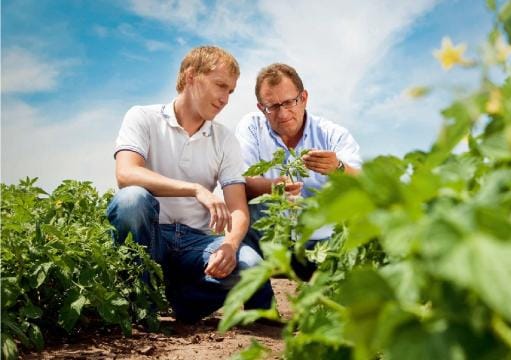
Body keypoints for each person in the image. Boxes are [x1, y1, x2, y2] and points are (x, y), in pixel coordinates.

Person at [106, 46, 274, 324]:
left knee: (251, 266)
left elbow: (238, 208)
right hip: (151, 236)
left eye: (230, 91)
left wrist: (230, 245)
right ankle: (139, 301)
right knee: (131, 201)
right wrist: (195, 189)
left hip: (196, 242)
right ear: (191, 76)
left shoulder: (224, 139)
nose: (225, 99)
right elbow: (126, 174)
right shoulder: (142, 117)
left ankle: (182, 303)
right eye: (220, 86)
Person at [235, 63, 362, 280]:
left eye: (289, 102)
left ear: (304, 98)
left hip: (320, 244)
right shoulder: (252, 127)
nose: (283, 113)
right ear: (260, 107)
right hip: (269, 242)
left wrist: (338, 168)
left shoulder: (332, 134)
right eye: (272, 106)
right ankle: (264, 311)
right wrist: (275, 187)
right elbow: (241, 180)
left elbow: (362, 182)